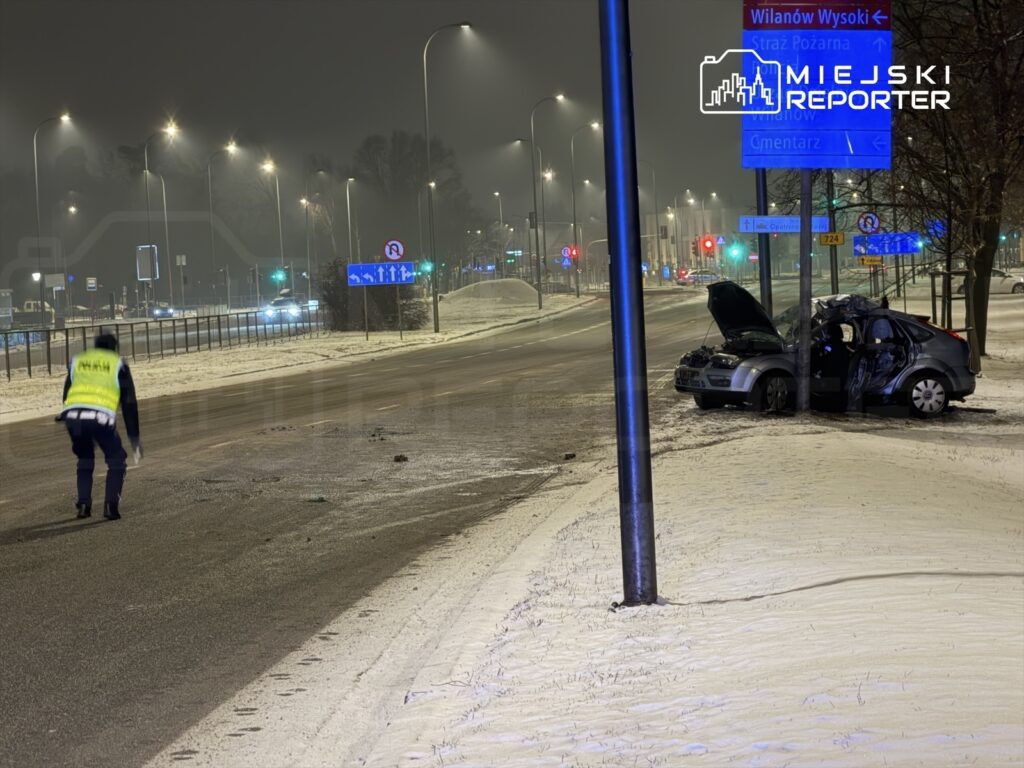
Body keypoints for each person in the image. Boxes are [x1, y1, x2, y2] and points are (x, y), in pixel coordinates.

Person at [57, 332, 142, 521]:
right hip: (99, 416)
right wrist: (134, 438)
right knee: (116, 459)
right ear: (114, 348)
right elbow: (129, 404)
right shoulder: (118, 364)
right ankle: (111, 506)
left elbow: (66, 394)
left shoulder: (78, 360)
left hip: (73, 416)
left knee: (85, 458)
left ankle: (84, 505)